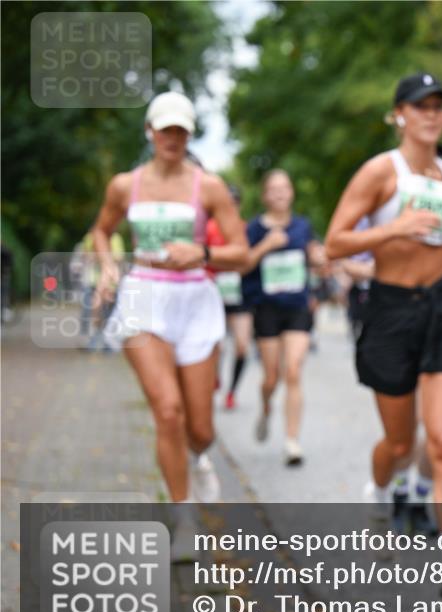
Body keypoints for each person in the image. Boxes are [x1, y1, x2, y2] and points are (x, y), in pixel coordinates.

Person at [325, 72, 442, 610]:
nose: (431, 114)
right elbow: (334, 243)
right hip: (391, 311)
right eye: (421, 105)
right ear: (399, 113)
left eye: (439, 105)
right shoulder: (380, 171)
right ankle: (379, 496)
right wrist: (394, 229)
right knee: (400, 446)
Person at [92, 92, 247, 559]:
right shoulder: (125, 185)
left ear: (190, 134)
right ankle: (184, 520)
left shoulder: (210, 188)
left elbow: (241, 253)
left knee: (200, 428)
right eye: (165, 130)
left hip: (195, 300)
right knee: (168, 411)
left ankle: (199, 457)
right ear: (150, 132)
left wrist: (203, 252)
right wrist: (108, 267)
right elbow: (102, 230)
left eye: (181, 130)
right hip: (144, 296)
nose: (173, 138)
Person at [242, 169, 324, 466]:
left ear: (291, 193)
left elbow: (313, 257)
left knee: (293, 371)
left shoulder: (302, 226)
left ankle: (292, 441)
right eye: (274, 189)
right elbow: (243, 265)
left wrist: (317, 258)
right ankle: (266, 406)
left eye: (284, 188)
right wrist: (266, 245)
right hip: (267, 309)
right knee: (271, 377)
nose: (279, 193)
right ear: (265, 195)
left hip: (297, 306)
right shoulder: (254, 228)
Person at [205, 185, 253, 411]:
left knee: (242, 346)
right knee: (217, 346)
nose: (230, 208)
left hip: (239, 293)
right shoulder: (208, 228)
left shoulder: (245, 228)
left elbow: (249, 260)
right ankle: (214, 376)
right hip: (213, 291)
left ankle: (232, 391)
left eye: (235, 203)